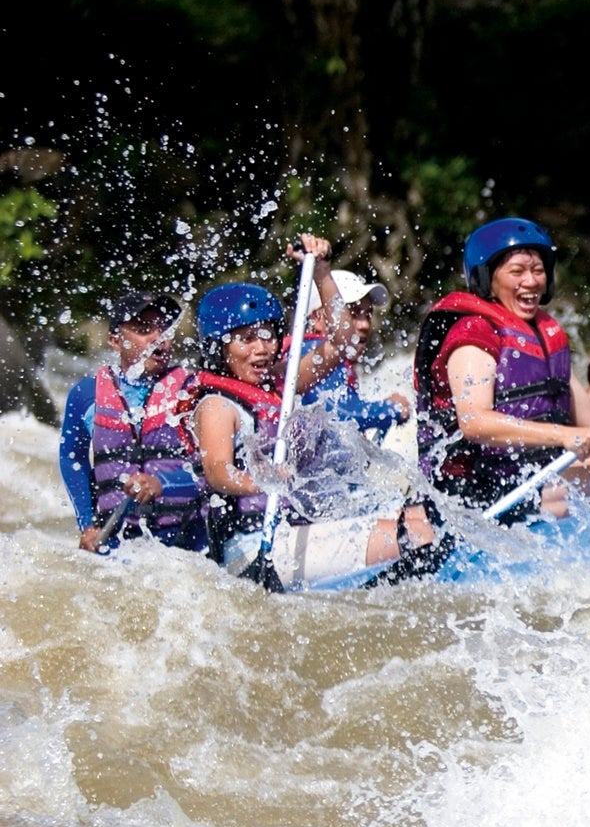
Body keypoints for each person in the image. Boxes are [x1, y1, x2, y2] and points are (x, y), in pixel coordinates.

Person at [191, 235, 450, 590]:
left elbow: (342, 343)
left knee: (422, 519)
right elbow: (219, 472)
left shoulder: (282, 384)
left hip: (298, 529)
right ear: (217, 347)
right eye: (245, 339)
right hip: (253, 546)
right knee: (414, 535)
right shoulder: (217, 405)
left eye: (267, 335)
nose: (261, 348)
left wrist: (322, 273)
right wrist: (262, 481)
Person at [415, 218, 590, 516]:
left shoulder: (546, 335)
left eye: (538, 271)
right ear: (486, 278)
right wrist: (561, 435)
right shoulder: (474, 333)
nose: (531, 281)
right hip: (480, 490)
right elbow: (474, 422)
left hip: (535, 474)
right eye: (517, 271)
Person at [59, 290, 207, 554]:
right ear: (115, 341)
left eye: (164, 329)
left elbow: (217, 468)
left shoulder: (193, 391)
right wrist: (87, 524)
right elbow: (72, 460)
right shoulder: (86, 395)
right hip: (116, 542)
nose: (158, 338)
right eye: (143, 329)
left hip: (188, 542)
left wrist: (163, 483)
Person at [300, 270, 411, 441]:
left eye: (368, 315)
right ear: (317, 317)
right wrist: (391, 409)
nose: (364, 324)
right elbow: (338, 413)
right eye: (352, 314)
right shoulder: (312, 351)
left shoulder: (342, 365)